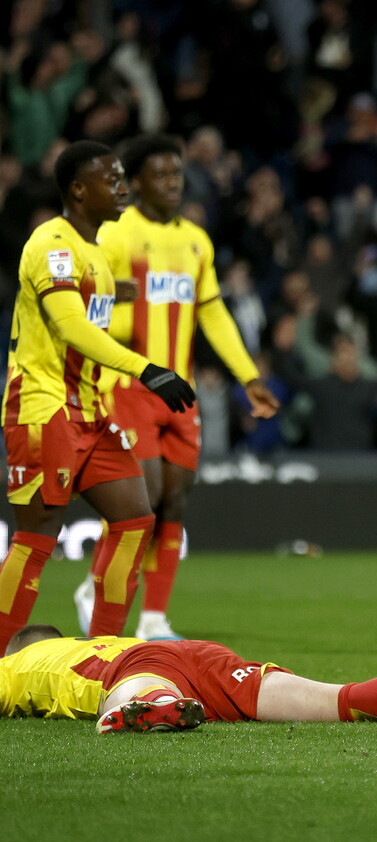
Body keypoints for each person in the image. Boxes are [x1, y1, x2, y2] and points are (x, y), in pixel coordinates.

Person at [71, 135, 280, 642]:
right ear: (136, 182)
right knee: (140, 501)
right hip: (131, 386)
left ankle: (154, 619)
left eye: (177, 174)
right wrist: (128, 316)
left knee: (175, 503)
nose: (171, 183)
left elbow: (211, 311)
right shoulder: (119, 235)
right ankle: (95, 590)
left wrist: (248, 375)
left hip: (179, 392)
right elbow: (91, 310)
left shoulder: (196, 242)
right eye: (160, 175)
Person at [0, 141, 196, 649]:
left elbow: (94, 306)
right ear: (79, 190)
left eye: (122, 177)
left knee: (135, 519)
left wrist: (128, 295)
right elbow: (70, 325)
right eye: (110, 179)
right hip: (44, 408)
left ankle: (101, 657)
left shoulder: (96, 255)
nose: (123, 186)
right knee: (37, 538)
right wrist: (146, 368)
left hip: (90, 412)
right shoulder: (53, 244)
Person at [1, 624, 377, 732]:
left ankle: (150, 708)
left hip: (137, 670)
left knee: (134, 688)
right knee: (339, 699)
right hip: (200, 654)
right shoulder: (103, 636)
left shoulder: (19, 664)